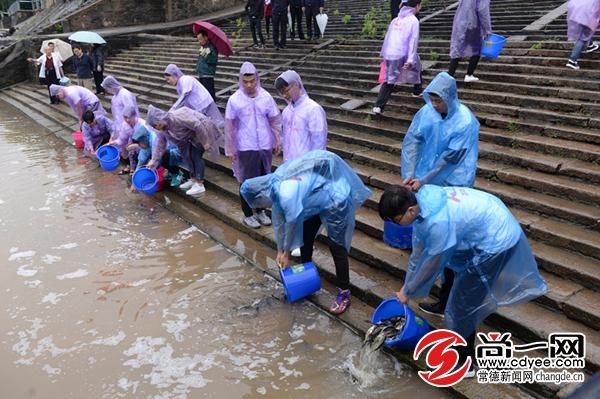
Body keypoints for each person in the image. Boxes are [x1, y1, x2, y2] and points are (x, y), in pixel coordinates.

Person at [378, 184, 547, 376]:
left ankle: (464, 362)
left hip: (495, 240)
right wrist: (406, 286)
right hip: (482, 223)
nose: (394, 224)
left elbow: (431, 265)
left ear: (410, 210)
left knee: (464, 304)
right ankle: (444, 307)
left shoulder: (437, 223)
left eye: (395, 220)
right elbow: (417, 254)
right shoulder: (423, 202)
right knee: (451, 268)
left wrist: (408, 291)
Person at [241, 150, 372, 314]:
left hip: (335, 198)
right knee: (305, 238)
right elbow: (280, 225)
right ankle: (307, 279)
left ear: (260, 195)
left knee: (336, 246)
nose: (261, 206)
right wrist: (280, 251)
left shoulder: (286, 192)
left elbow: (292, 222)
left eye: (258, 203)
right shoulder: (274, 187)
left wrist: (286, 252)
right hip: (315, 197)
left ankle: (344, 293)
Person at [225, 62, 282, 229]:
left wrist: (277, 140)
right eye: (245, 81)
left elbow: (275, 120)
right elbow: (229, 127)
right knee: (246, 182)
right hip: (245, 146)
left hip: (264, 144)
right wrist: (230, 148)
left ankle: (260, 211)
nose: (249, 85)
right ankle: (248, 214)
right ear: (241, 81)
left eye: (252, 81)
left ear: (257, 79)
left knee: (264, 180)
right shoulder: (234, 100)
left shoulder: (266, 97)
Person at [401, 71, 479, 192]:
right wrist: (410, 173)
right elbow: (413, 140)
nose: (434, 105)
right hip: (428, 169)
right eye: (432, 100)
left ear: (449, 98)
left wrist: (424, 180)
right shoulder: (427, 111)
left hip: (456, 175)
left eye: (438, 101)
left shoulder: (464, 121)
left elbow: (450, 158)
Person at [146, 105, 222, 196]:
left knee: (196, 155)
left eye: (155, 125)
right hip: (190, 137)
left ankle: (199, 183)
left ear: (160, 119)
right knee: (188, 156)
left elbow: (197, 125)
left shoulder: (178, 117)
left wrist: (205, 141)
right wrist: (154, 159)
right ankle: (193, 178)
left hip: (203, 131)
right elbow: (160, 143)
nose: (156, 128)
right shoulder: (164, 128)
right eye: (154, 127)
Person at [373, 0, 423, 115]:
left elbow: (388, 37)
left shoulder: (396, 20)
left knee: (391, 77)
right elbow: (413, 40)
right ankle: (416, 90)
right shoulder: (413, 20)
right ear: (417, 6)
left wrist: (385, 53)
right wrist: (410, 59)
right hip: (402, 53)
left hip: (390, 52)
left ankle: (417, 89)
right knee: (391, 79)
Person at [274, 70, 327, 162]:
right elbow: (286, 137)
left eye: (287, 90)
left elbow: (319, 140)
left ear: (297, 85)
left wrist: (315, 163)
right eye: (282, 93)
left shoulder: (313, 109)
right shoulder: (287, 111)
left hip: (306, 164)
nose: (285, 95)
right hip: (289, 163)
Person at [164, 64, 224, 130]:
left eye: (168, 79)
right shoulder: (179, 85)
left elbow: (184, 96)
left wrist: (172, 110)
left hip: (205, 104)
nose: (168, 82)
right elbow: (185, 102)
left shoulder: (185, 79)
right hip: (199, 106)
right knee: (208, 127)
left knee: (217, 124)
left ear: (174, 75)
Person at [128, 124, 185, 191]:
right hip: (162, 155)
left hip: (178, 153)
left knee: (164, 156)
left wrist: (149, 173)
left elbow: (158, 159)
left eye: (139, 143)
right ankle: (169, 172)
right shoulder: (146, 142)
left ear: (144, 139)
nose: (139, 146)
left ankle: (177, 173)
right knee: (148, 161)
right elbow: (141, 161)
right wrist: (134, 182)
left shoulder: (155, 140)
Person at [448, 0, 491, 82]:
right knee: (477, 48)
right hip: (474, 23)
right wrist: (487, 29)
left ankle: (450, 75)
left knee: (457, 50)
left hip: (461, 22)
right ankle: (469, 74)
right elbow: (483, 10)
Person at [566, 0, 600, 70]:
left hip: (577, 12)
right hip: (587, 14)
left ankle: (590, 45)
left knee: (586, 32)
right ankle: (572, 60)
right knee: (583, 37)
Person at [110, 105, 143, 175]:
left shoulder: (142, 124)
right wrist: (112, 142)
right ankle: (132, 168)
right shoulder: (125, 125)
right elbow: (122, 140)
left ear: (134, 116)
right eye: (125, 118)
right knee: (129, 151)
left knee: (142, 156)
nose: (127, 120)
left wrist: (137, 146)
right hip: (133, 144)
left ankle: (140, 169)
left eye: (129, 118)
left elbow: (148, 143)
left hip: (144, 145)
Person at [196, 30, 218, 100]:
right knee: (203, 93)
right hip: (201, 73)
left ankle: (213, 108)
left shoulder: (212, 47)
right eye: (198, 40)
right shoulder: (203, 47)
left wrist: (207, 57)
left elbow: (214, 60)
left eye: (200, 39)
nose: (199, 41)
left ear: (206, 37)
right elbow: (200, 59)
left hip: (207, 73)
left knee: (209, 93)